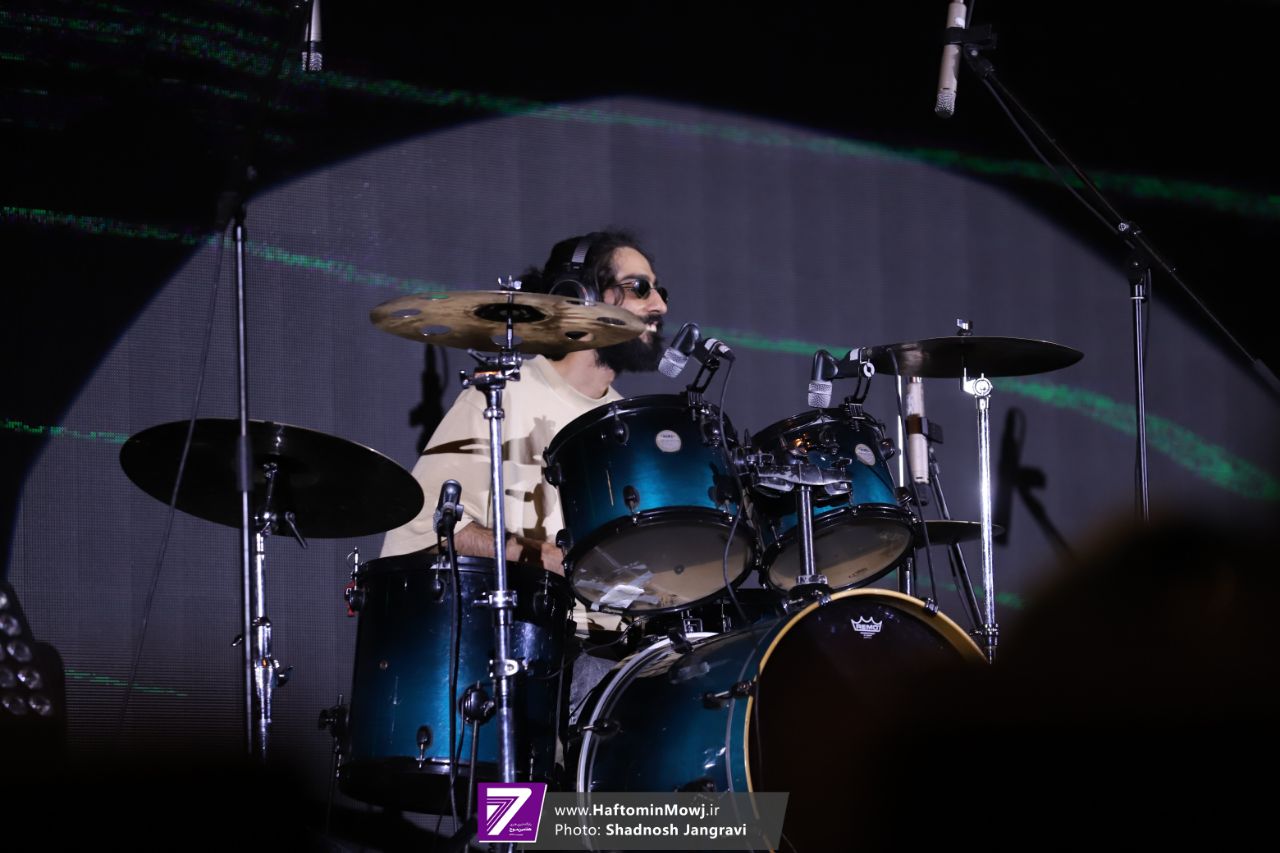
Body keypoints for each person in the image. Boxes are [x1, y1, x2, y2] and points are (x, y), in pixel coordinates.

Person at [380, 229, 669, 578]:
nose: (660, 305)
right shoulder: (502, 394)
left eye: (659, 291)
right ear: (580, 297)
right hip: (526, 611)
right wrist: (544, 556)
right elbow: (423, 528)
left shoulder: (625, 422)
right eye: (640, 288)